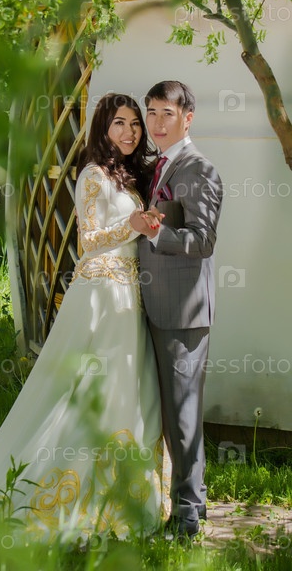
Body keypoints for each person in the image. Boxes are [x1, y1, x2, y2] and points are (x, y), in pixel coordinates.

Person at [0, 94, 170, 544]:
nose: (131, 132)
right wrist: (132, 227)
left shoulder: (128, 176)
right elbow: (88, 240)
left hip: (128, 294)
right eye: (120, 123)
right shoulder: (93, 175)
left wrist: (147, 225)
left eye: (135, 124)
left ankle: (125, 490)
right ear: (103, 127)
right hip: (101, 293)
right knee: (90, 385)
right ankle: (71, 480)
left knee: (126, 383)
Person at [130, 80, 223, 540]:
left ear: (188, 118)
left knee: (183, 416)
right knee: (166, 413)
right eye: (151, 113)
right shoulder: (158, 166)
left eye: (167, 113)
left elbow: (202, 241)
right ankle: (185, 503)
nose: (157, 123)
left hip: (183, 313)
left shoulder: (198, 170)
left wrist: (154, 233)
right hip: (152, 305)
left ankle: (188, 515)